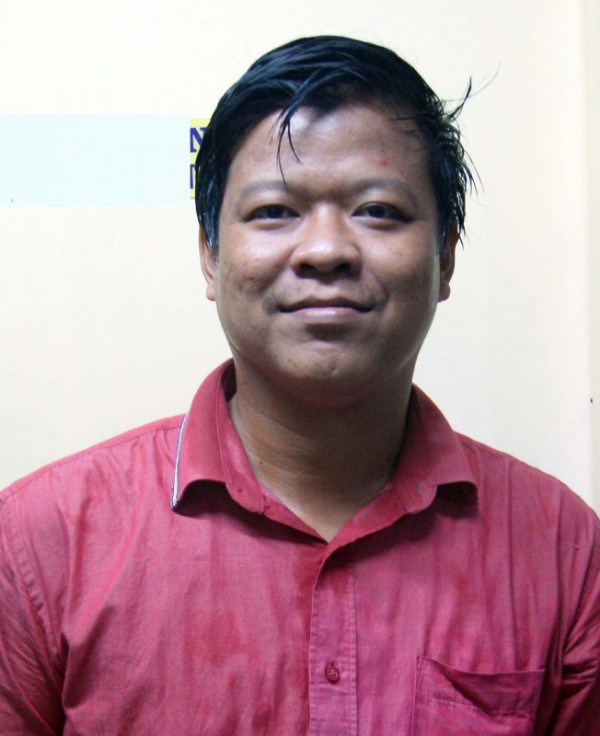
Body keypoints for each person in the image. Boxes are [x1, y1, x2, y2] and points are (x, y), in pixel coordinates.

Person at [0, 35, 598, 736]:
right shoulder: (39, 541)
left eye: (378, 210)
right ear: (209, 254)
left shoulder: (561, 548)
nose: (325, 251)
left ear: (445, 257)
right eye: (274, 211)